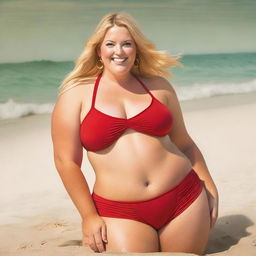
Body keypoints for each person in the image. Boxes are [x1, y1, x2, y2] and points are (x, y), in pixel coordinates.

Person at [51, 12, 219, 254]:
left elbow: (185, 144)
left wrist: (210, 187)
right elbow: (66, 162)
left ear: (136, 49)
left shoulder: (159, 87)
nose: (119, 51)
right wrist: (88, 216)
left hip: (184, 198)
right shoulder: (75, 96)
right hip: (120, 211)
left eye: (127, 44)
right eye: (110, 44)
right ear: (99, 51)